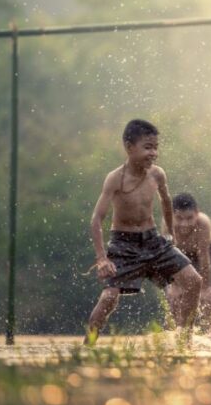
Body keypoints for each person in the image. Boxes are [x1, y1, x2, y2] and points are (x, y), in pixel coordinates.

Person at [85, 119, 202, 346]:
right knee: (109, 297)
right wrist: (101, 258)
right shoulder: (115, 179)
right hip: (123, 244)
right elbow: (96, 219)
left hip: (153, 240)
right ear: (129, 147)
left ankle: (185, 340)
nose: (154, 153)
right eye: (148, 147)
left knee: (194, 281)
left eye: (156, 147)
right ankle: (87, 345)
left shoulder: (157, 174)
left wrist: (171, 236)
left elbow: (167, 203)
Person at [163, 193, 211, 330]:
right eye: (179, 218)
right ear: (172, 216)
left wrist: (205, 288)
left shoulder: (203, 223)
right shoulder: (167, 226)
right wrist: (175, 286)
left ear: (197, 213)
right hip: (179, 255)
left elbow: (204, 257)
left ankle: (209, 330)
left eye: (190, 218)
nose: (184, 224)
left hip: (208, 252)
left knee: (207, 297)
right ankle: (180, 331)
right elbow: (169, 258)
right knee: (174, 296)